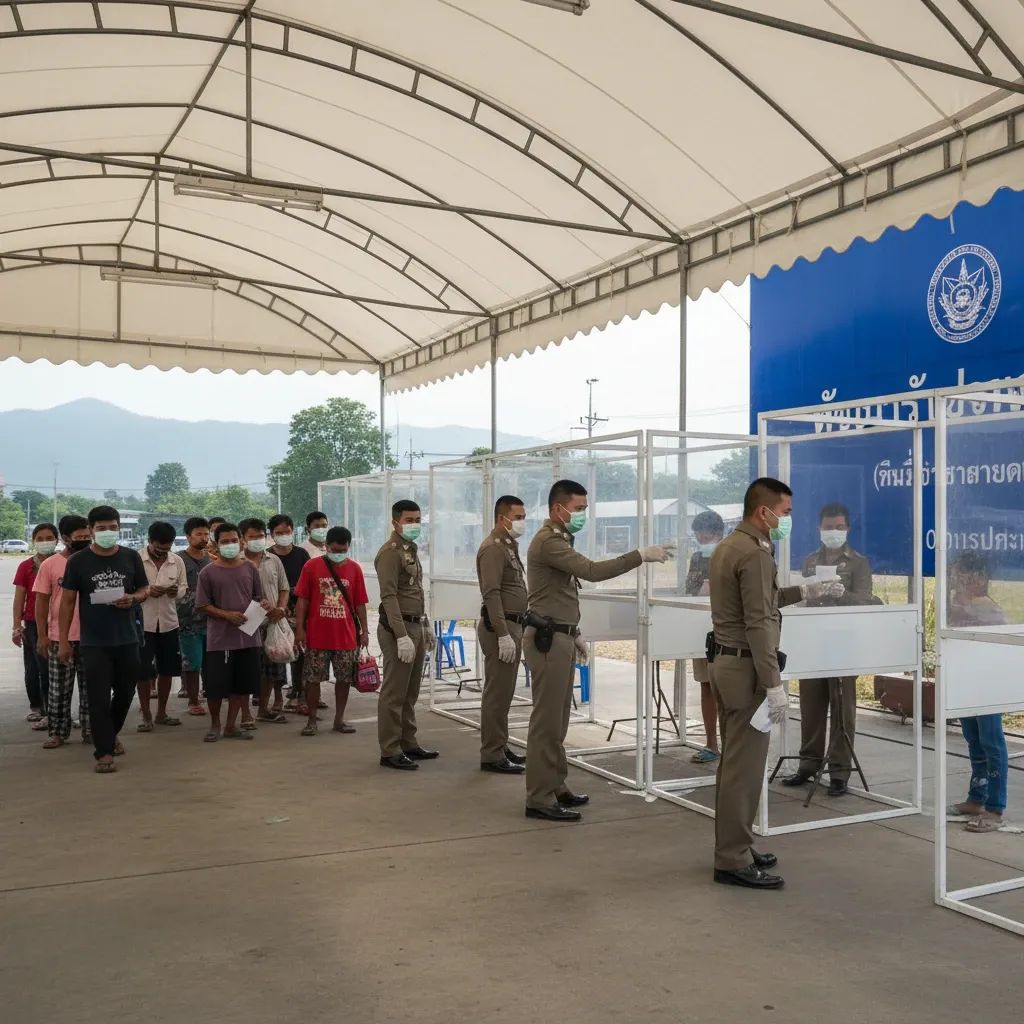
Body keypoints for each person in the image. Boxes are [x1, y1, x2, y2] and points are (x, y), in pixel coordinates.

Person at [707, 478, 842, 889]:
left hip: (728, 664)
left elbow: (761, 602)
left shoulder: (732, 546)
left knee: (735, 766)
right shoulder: (755, 554)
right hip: (746, 670)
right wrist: (773, 683)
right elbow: (759, 623)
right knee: (743, 771)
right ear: (762, 512)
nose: (786, 520)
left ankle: (738, 845)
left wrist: (804, 589)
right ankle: (731, 858)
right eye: (783, 512)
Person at [523, 480, 673, 821]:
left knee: (558, 721)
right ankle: (539, 798)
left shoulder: (560, 539)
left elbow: (558, 596)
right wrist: (640, 555)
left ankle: (555, 785)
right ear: (556, 508)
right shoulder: (549, 542)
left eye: (584, 509)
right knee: (546, 724)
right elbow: (591, 572)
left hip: (558, 636)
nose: (582, 515)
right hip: (547, 640)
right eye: (577, 509)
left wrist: (573, 632)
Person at [782, 503, 874, 796]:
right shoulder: (811, 560)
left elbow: (866, 602)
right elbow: (806, 596)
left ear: (847, 528)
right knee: (811, 704)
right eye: (828, 527)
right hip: (813, 640)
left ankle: (839, 772)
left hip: (843, 642)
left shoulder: (858, 563)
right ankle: (808, 765)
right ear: (819, 529)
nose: (833, 532)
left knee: (842, 707)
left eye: (839, 527)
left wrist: (843, 594)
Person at [59, 506, 149, 774]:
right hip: (94, 642)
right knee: (97, 697)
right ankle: (104, 752)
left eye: (112, 527)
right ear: (90, 530)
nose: (107, 532)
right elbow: (66, 602)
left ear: (119, 528)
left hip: (127, 639)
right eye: (101, 528)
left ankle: (109, 734)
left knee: (125, 693)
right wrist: (64, 641)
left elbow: (144, 589)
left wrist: (133, 598)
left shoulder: (131, 557)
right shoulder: (78, 562)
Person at [946, 552, 1009, 834]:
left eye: (964, 578)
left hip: (987, 683)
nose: (958, 583)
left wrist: (963, 608)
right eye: (956, 577)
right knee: (973, 739)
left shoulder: (988, 609)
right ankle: (977, 797)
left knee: (991, 741)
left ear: (980, 579)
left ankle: (995, 806)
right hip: (966, 680)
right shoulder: (959, 603)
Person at [375, 499, 437, 770]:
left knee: (411, 691)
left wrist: (424, 625)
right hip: (397, 628)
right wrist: (401, 635)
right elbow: (389, 596)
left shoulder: (410, 549)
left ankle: (408, 742)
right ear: (395, 522)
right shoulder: (390, 552)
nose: (414, 525)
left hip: (415, 625)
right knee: (394, 693)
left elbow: (415, 592)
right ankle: (390, 750)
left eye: (417, 520)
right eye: (409, 520)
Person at [294, 526, 369, 737]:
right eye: (334, 549)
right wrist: (300, 629)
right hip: (317, 635)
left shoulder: (355, 569)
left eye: (342, 550)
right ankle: (311, 721)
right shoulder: (311, 566)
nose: (338, 554)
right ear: (326, 546)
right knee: (313, 679)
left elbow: (360, 603)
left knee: (344, 679)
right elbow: (303, 600)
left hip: (346, 636)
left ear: (348, 547)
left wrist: (364, 631)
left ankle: (339, 719)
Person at [194, 522, 264, 742]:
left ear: (241, 541)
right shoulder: (207, 573)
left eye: (234, 540)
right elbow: (202, 605)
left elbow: (258, 597)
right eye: (225, 541)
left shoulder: (250, 568)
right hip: (220, 639)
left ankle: (231, 725)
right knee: (216, 686)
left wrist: (267, 606)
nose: (231, 545)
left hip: (248, 636)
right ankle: (215, 724)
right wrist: (227, 615)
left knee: (242, 685)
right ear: (216, 544)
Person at [476, 494, 529, 775]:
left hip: (513, 625)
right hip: (501, 628)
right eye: (517, 517)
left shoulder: (508, 545)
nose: (522, 522)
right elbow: (492, 593)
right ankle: (492, 754)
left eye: (523, 517)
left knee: (505, 692)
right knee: (497, 694)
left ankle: (500, 744)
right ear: (502, 518)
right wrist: (502, 633)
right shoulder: (494, 548)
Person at [34, 515, 92, 748]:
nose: (85, 540)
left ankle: (91, 731)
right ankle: (58, 732)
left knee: (92, 689)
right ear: (66, 538)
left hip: (91, 637)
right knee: (59, 690)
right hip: (60, 637)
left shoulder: (95, 561)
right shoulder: (51, 565)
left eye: (87, 536)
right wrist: (42, 636)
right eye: (80, 537)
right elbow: (41, 602)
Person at [136, 521, 187, 732]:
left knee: (168, 670)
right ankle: (146, 713)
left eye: (167, 549)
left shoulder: (177, 561)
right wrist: (148, 591)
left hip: (168, 622)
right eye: (159, 549)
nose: (162, 553)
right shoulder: (136, 559)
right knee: (143, 671)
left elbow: (184, 587)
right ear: (150, 541)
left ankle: (161, 712)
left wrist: (176, 593)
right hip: (142, 623)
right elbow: (128, 589)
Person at [240, 517, 290, 724]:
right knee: (245, 669)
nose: (257, 540)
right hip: (245, 622)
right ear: (242, 539)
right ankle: (245, 714)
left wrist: (280, 608)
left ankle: (263, 709)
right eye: (252, 537)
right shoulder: (237, 562)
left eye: (260, 536)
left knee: (270, 669)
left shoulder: (273, 560)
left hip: (271, 621)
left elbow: (284, 588)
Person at [686, 510, 725, 764]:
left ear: (719, 535)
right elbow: (689, 589)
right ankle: (711, 743)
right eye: (699, 536)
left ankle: (731, 743)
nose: (702, 540)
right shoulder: (698, 558)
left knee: (728, 689)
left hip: (727, 631)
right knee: (706, 686)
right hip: (702, 628)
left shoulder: (732, 555)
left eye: (707, 536)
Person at [12, 522, 59, 730]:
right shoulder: (26, 567)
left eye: (49, 538)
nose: (44, 542)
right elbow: (19, 598)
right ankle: (37, 707)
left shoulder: (63, 563)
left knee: (51, 669)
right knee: (34, 667)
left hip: (57, 622)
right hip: (32, 623)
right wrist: (16, 626)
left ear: (57, 540)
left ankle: (54, 710)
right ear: (33, 542)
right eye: (39, 539)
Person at [268, 513, 310, 714]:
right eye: (279, 532)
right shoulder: (268, 557)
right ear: (271, 534)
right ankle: (277, 697)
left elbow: (309, 584)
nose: (284, 535)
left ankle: (299, 694)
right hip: (274, 614)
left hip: (299, 612)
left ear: (293, 531)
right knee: (276, 655)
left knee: (300, 654)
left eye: (287, 531)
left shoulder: (302, 555)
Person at [177, 516, 211, 716]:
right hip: (187, 620)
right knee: (192, 661)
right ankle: (193, 699)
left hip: (212, 618)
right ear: (188, 537)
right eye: (199, 534)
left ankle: (210, 692)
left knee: (211, 660)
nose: (203, 538)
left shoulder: (212, 559)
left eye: (206, 534)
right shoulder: (179, 559)